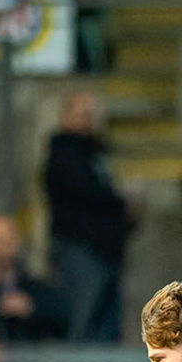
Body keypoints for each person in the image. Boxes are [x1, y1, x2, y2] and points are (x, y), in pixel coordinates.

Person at [43, 90, 135, 344]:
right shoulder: (63, 153)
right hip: (80, 251)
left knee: (106, 331)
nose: (86, 119)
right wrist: (121, 201)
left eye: (90, 114)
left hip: (105, 253)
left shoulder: (95, 154)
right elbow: (89, 193)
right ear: (65, 116)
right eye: (80, 113)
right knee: (79, 326)